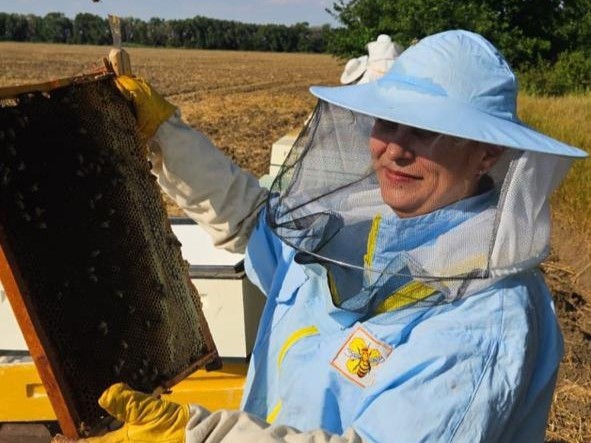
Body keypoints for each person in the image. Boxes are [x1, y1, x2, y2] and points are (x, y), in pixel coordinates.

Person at [77, 30, 587, 443]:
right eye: (389, 121)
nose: (395, 150)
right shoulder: (370, 233)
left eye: (427, 131)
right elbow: (260, 225)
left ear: (487, 153)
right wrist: (169, 137)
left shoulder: (485, 321)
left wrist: (197, 435)